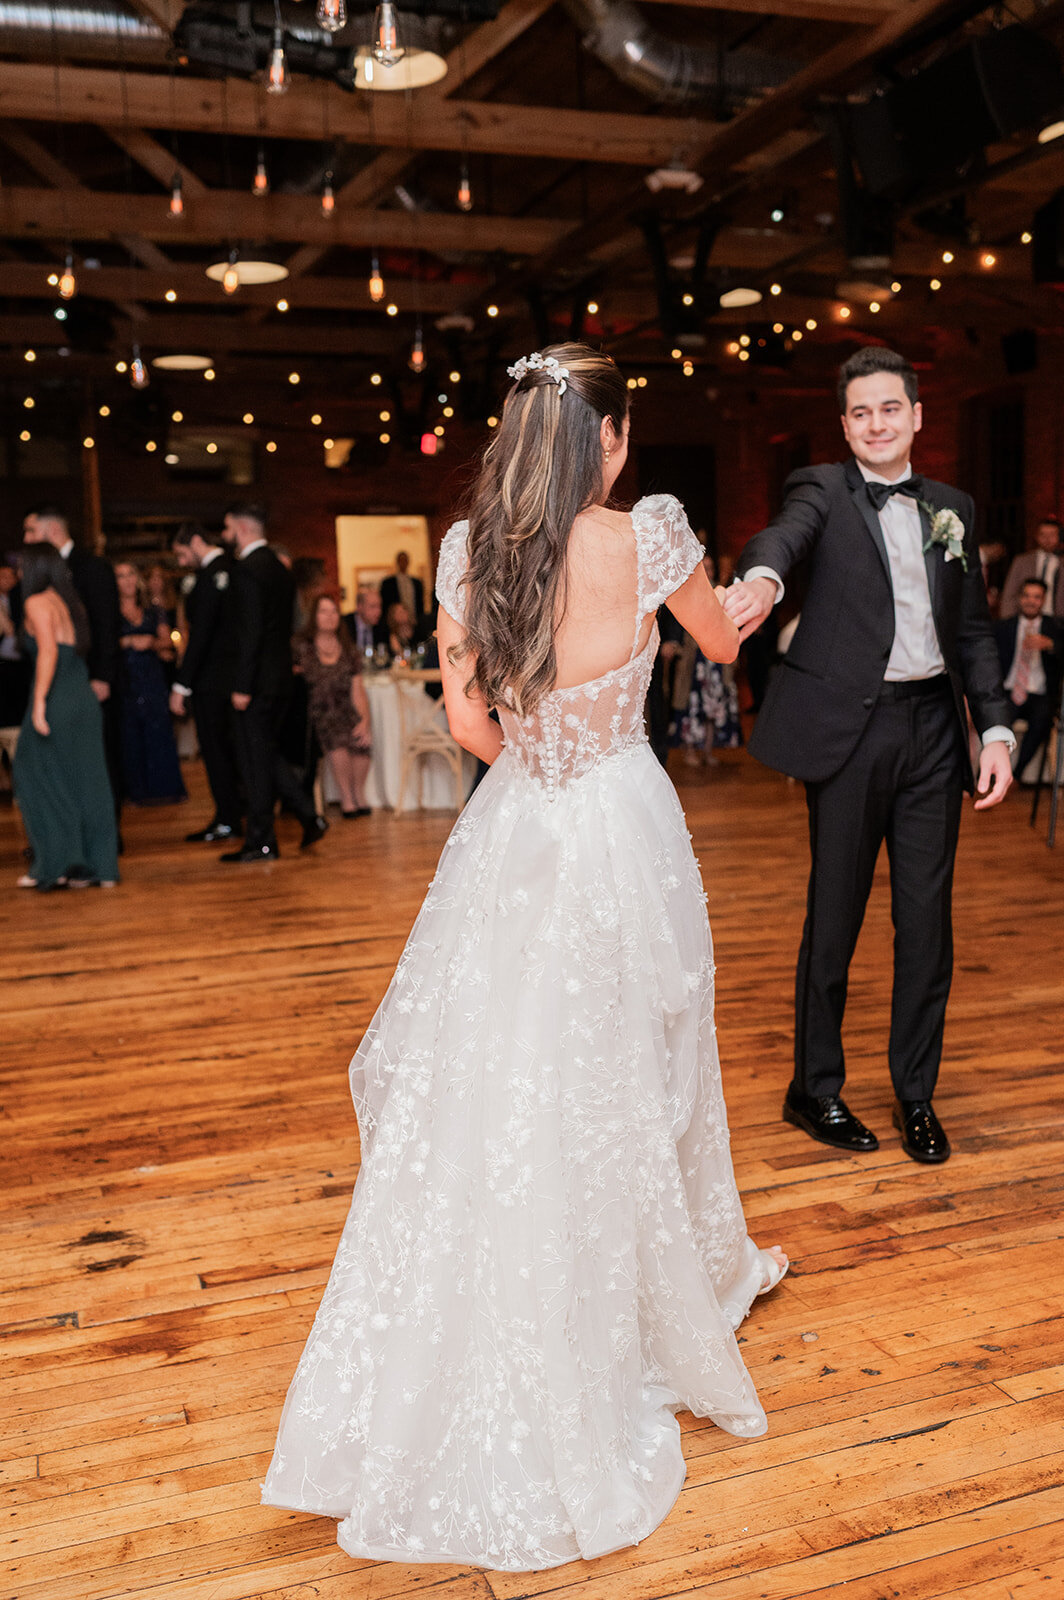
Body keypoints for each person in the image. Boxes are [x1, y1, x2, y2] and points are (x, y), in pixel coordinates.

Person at [261, 343, 787, 1570]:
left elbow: (462, 723)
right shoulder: (649, 532)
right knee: (645, 1049)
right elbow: (717, 643)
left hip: (523, 823)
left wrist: (542, 775)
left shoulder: (464, 551)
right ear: (601, 440)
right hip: (625, 824)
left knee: (505, 1068)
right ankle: (657, 1290)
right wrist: (759, 581)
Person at [724, 346, 1013, 1166]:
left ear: (916, 416)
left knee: (926, 923)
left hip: (932, 731)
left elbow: (972, 635)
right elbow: (783, 540)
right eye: (860, 412)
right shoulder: (822, 488)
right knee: (836, 916)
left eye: (890, 408)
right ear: (844, 424)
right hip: (850, 733)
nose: (876, 423)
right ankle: (813, 1090)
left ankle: (916, 1095)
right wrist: (763, 583)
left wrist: (993, 730)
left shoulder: (951, 506)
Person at [223, 503, 327, 861]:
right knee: (264, 754)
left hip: (257, 682)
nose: (226, 536)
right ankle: (307, 816)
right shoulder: (280, 570)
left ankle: (262, 840)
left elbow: (250, 633)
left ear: (241, 529)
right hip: (279, 677)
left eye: (227, 529)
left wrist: (241, 684)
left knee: (254, 761)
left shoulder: (248, 571)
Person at [13, 544, 118, 890]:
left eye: (20, 565)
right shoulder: (69, 601)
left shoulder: (36, 602)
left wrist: (40, 703)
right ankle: (98, 867)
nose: (16, 571)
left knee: (34, 776)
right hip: (82, 696)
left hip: (57, 696)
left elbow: (47, 652)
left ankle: (55, 864)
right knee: (87, 781)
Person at [22, 507, 122, 817]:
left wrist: (103, 676)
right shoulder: (40, 579)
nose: (25, 539)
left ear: (51, 531)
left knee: (96, 762)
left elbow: (107, 624)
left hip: (86, 679)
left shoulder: (91, 566)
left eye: (30, 531)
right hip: (61, 680)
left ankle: (105, 833)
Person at [170, 524, 242, 844]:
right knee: (230, 752)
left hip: (211, 680)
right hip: (233, 678)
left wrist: (182, 683)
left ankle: (227, 818)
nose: (182, 561)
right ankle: (233, 814)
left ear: (196, 540)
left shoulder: (210, 577)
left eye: (182, 552)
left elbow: (200, 635)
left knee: (216, 753)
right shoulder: (233, 568)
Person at [294, 594, 373, 817]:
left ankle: (359, 793)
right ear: (314, 616)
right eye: (323, 611)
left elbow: (358, 690)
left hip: (345, 707)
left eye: (333, 611)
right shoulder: (301, 648)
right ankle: (346, 796)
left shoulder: (349, 650)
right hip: (315, 712)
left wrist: (365, 720)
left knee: (360, 737)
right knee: (338, 736)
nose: (329, 617)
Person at [114, 561, 186, 806]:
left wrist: (152, 643)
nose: (127, 580)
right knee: (129, 732)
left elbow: (168, 643)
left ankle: (162, 789)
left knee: (157, 729)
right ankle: (135, 790)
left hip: (151, 677)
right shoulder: (110, 612)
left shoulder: (153, 610)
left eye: (131, 574)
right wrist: (128, 642)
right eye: (121, 576)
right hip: (125, 678)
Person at [672, 552, 743, 762]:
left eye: (710, 568)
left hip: (715, 663)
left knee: (713, 706)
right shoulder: (686, 594)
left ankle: (708, 750)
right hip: (695, 662)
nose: (708, 572)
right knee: (692, 706)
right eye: (704, 568)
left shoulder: (721, 594)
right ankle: (689, 751)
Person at [996, 578, 1063, 778]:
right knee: (997, 719)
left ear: (1043, 600)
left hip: (1040, 693)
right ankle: (990, 774)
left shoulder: (1055, 628)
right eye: (1026, 596)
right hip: (1010, 691)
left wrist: (1051, 645)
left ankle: (1016, 774)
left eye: (1036, 597)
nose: (1031, 601)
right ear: (1019, 598)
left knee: (1042, 719)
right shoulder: (1003, 627)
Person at [999, 517, 1064, 620]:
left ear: (1059, 537)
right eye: (1043, 535)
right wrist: (1008, 619)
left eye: (1052, 535)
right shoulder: (1022, 561)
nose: (1047, 539)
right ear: (1037, 536)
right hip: (1026, 618)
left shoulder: (1061, 562)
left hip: (1057, 619)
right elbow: (1009, 594)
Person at [0, 561, 32, 731]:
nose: (5, 580)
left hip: (21, 660)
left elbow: (14, 630)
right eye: (1, 576)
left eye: (9, 576)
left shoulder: (21, 598)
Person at [380, 550, 424, 635]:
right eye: (401, 560)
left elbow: (420, 604)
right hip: (394, 626)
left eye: (405, 560)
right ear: (397, 562)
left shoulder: (416, 582)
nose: (403, 563)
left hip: (414, 623)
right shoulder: (388, 583)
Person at [342, 586, 388, 657]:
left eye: (379, 606)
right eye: (373, 606)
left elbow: (386, 655)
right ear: (359, 607)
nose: (378, 611)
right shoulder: (344, 624)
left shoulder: (382, 626)